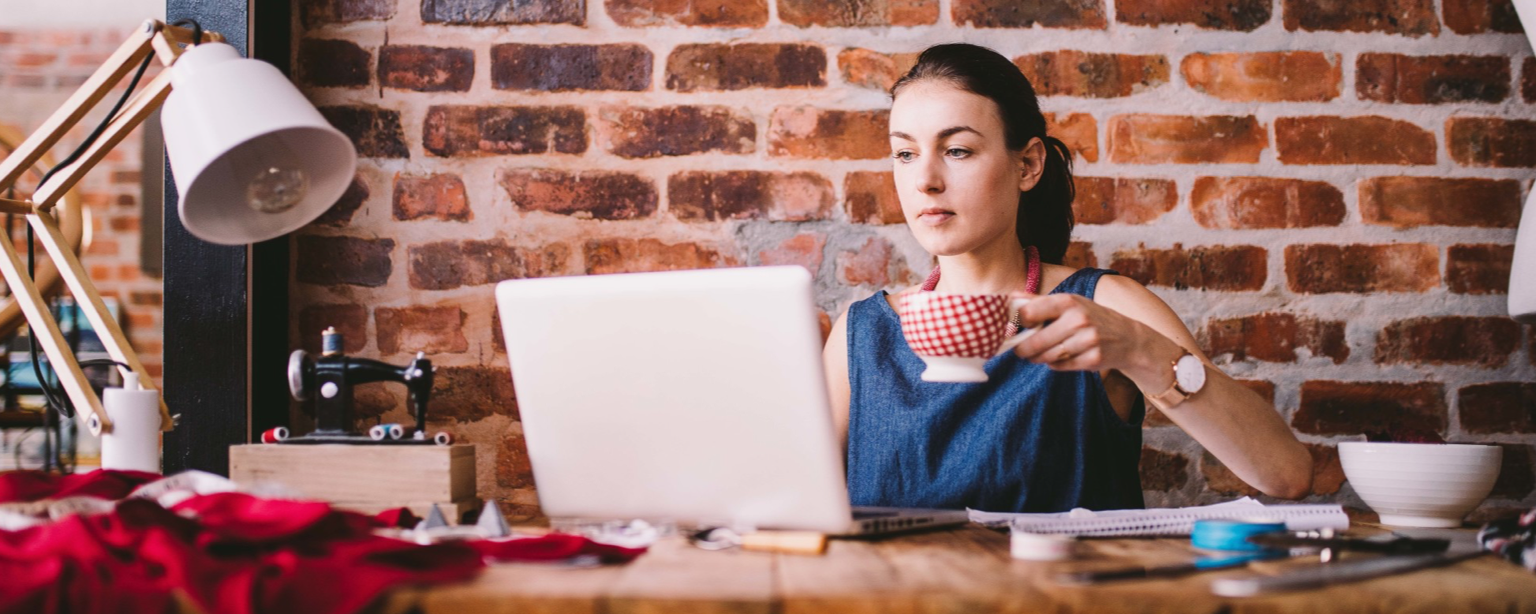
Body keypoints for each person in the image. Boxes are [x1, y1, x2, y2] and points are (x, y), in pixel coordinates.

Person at [823, 43, 1312, 513]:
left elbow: (1285, 474)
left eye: (957, 151)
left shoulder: (1106, 303)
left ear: (1028, 164)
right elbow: (786, 504)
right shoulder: (860, 333)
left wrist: (1142, 350)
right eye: (905, 154)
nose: (924, 179)